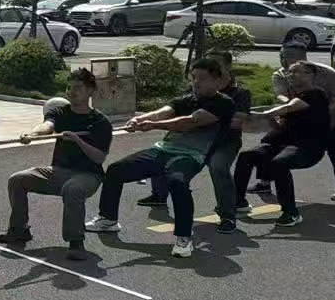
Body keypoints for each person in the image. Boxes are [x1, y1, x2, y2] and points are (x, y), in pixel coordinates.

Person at [87, 58, 235, 259]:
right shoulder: (186, 100)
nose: (196, 82)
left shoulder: (224, 103)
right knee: (115, 170)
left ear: (217, 81)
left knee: (177, 182)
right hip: (162, 150)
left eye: (202, 78)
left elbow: (191, 121)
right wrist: (140, 119)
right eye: (193, 77)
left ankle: (184, 238)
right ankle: (108, 219)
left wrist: (153, 125)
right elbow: (163, 112)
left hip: (190, 156)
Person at [0, 68, 112, 260]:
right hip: (57, 171)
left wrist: (78, 140)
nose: (71, 92)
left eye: (77, 88)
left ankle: (76, 242)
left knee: (72, 189)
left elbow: (99, 158)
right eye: (69, 87)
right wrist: (32, 134)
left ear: (90, 90)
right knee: (17, 180)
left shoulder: (100, 122)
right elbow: (47, 126)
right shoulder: (60, 112)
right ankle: (19, 229)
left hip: (88, 175)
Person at [139, 52, 248, 231]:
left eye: (215, 66)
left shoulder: (239, 93)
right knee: (164, 152)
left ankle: (227, 215)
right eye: (195, 76)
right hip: (191, 141)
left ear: (223, 71)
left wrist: (205, 118)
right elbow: (174, 110)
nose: (197, 80)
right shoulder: (193, 92)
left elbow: (236, 122)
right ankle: (159, 195)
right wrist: (144, 119)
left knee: (218, 167)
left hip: (223, 142)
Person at [232, 61, 332, 227]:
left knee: (279, 163)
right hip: (283, 145)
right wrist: (268, 120)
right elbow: (281, 124)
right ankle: (238, 202)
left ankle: (291, 213)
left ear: (311, 75)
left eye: (297, 72)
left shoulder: (316, 94)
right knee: (246, 156)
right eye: (289, 72)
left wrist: (262, 114)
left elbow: (286, 109)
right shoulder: (296, 97)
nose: (291, 75)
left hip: (307, 149)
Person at [271, 42, 335, 201]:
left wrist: (319, 111)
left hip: (330, 122)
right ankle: (265, 180)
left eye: (288, 56)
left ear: (303, 57)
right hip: (298, 124)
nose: (283, 60)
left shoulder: (328, 73)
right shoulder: (280, 75)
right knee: (270, 146)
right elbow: (280, 95)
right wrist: (291, 105)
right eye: (281, 56)